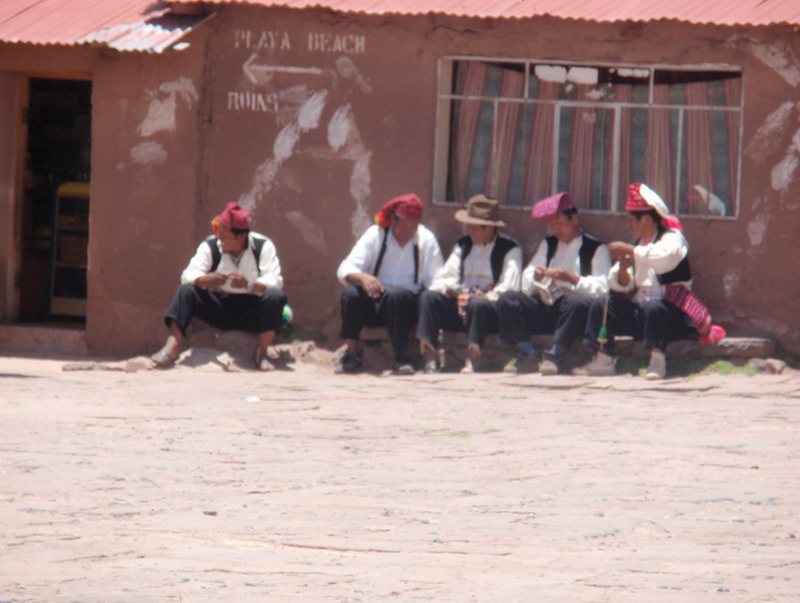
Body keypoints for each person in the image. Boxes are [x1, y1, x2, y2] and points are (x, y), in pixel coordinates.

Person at [574, 183, 725, 380]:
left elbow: (663, 259)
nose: (628, 225)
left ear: (646, 219)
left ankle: (657, 361)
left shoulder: (673, 238)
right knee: (603, 304)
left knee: (653, 307)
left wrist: (630, 252)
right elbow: (622, 284)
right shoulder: (635, 244)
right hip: (642, 316)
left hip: (670, 317)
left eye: (631, 220)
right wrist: (625, 267)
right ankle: (603, 359)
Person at [150, 202, 287, 371]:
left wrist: (249, 285)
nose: (220, 241)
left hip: (251, 310)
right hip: (219, 307)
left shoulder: (263, 246)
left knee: (275, 297)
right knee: (186, 291)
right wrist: (206, 279)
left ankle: (262, 353)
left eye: (225, 237)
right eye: (218, 235)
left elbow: (275, 281)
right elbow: (187, 275)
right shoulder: (211, 245)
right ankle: (172, 346)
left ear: (241, 237)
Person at [497, 193, 611, 375]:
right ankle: (527, 352)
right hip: (546, 307)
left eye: (559, 223)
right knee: (508, 299)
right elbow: (526, 283)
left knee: (577, 302)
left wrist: (572, 279)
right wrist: (536, 275)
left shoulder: (596, 248)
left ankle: (555, 354)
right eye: (552, 225)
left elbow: (603, 288)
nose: (555, 229)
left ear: (574, 219)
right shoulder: (548, 244)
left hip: (573, 313)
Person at [336, 193, 444, 374]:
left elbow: (437, 279)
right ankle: (352, 353)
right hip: (375, 301)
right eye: (404, 226)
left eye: (413, 227)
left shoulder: (426, 239)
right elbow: (346, 268)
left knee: (397, 295)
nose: (408, 232)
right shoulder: (376, 234)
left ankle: (401, 356)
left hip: (406, 306)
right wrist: (363, 278)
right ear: (394, 219)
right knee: (351, 294)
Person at [417, 194, 522, 374]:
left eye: (474, 228)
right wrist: (453, 290)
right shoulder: (463, 245)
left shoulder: (510, 249)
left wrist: (482, 296)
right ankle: (430, 358)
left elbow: (509, 286)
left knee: (477, 304)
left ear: (489, 228)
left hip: (486, 310)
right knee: (429, 297)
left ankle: (473, 359)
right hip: (460, 303)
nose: (469, 232)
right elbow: (446, 276)